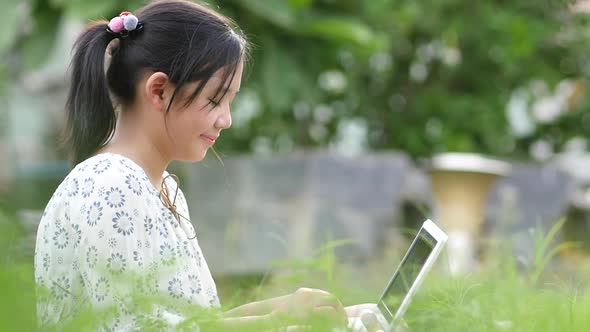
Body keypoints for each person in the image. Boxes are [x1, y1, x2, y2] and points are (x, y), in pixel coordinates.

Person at [33, 0, 387, 331]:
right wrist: (279, 321)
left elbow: (195, 322)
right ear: (158, 91)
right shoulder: (111, 185)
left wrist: (296, 310)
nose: (226, 120)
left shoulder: (160, 186)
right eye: (215, 100)